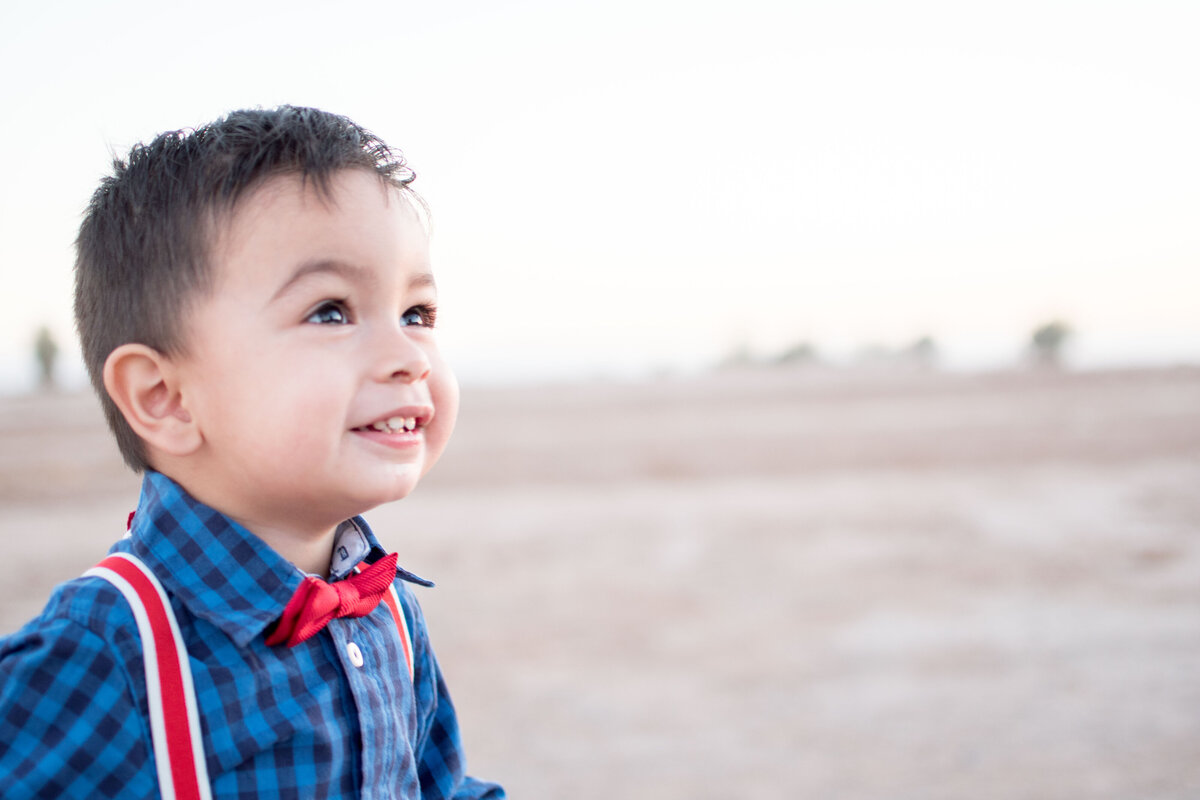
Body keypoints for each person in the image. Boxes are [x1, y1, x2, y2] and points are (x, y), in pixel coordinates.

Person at [0, 106, 504, 799]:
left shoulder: (381, 609)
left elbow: (435, 787)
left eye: (416, 314)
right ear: (165, 397)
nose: (406, 356)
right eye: (331, 311)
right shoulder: (102, 658)